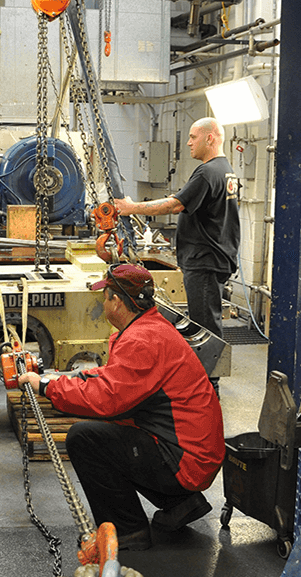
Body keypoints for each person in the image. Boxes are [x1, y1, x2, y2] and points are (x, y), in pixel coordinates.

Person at [16, 264, 224, 550]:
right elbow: (113, 379)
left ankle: (128, 531)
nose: (103, 304)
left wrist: (47, 388)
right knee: (120, 432)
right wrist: (60, 380)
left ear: (116, 301)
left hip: (186, 460)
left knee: (86, 439)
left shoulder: (142, 340)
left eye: (105, 297)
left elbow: (107, 399)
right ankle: (181, 505)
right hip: (191, 452)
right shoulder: (149, 327)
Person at [113, 117, 239, 343]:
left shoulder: (207, 172)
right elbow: (180, 201)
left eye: (193, 137)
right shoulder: (225, 169)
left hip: (205, 261)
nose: (189, 143)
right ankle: (206, 376)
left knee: (205, 329)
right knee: (205, 320)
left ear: (209, 138)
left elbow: (175, 204)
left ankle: (211, 379)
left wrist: (131, 208)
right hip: (214, 257)